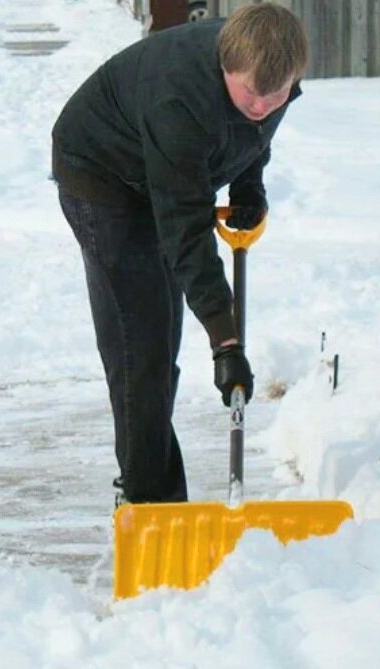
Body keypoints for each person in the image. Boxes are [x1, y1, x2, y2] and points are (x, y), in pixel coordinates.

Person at [51, 4, 308, 504]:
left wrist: (248, 183)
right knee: (140, 344)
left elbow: (253, 134)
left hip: (162, 172)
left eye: (275, 97)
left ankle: (155, 484)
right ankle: (148, 501)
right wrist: (227, 344)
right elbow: (187, 233)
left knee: (160, 334)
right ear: (225, 66)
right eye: (251, 92)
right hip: (102, 174)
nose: (262, 106)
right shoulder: (180, 102)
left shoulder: (273, 77)